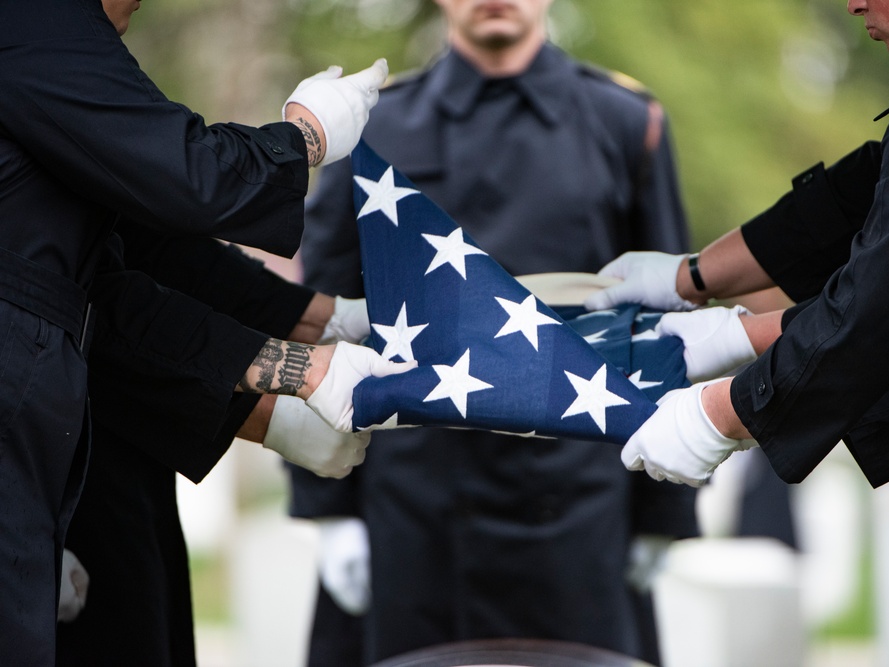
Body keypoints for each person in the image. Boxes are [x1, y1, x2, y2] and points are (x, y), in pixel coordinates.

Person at [587, 0, 889, 663]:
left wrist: (723, 409)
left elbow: (888, 294)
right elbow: (885, 181)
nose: (853, 3)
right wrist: (689, 278)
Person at [290, 0, 698, 664]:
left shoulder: (626, 122)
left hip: (578, 501)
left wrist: (662, 514)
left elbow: (663, 321)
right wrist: (329, 508)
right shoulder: (375, 123)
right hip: (416, 503)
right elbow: (324, 313)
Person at [0, 0, 400, 661]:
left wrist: (320, 328)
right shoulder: (35, 16)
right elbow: (190, 180)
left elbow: (129, 260)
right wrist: (302, 136)